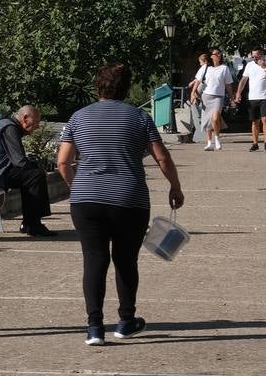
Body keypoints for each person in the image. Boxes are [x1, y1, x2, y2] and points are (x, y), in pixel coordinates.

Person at [56, 63, 184, 346]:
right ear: (125, 88)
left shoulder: (78, 118)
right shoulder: (139, 118)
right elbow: (161, 156)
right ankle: (126, 321)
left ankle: (94, 328)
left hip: (86, 199)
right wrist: (175, 186)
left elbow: (63, 162)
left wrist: (76, 187)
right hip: (129, 198)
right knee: (125, 260)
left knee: (94, 259)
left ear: (97, 87)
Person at [0, 104, 55, 236]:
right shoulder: (10, 128)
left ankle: (30, 223)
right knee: (34, 176)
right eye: (36, 122)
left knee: (31, 176)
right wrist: (38, 167)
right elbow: (19, 161)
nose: (38, 126)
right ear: (25, 118)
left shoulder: (6, 125)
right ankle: (33, 224)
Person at [189, 48, 234, 151]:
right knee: (207, 120)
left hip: (218, 97)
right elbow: (198, 81)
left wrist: (232, 98)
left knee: (215, 118)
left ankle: (217, 139)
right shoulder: (205, 68)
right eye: (216, 54)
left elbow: (228, 85)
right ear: (211, 56)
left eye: (219, 54)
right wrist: (193, 93)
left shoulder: (224, 68)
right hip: (206, 96)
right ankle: (209, 143)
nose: (219, 55)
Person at [234, 46, 266, 152]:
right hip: (253, 97)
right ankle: (255, 143)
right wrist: (238, 93)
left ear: (262, 55)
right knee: (254, 121)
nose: (255, 58)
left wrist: (264, 67)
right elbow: (244, 80)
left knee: (265, 119)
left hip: (265, 96)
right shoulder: (249, 65)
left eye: (257, 56)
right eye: (253, 56)